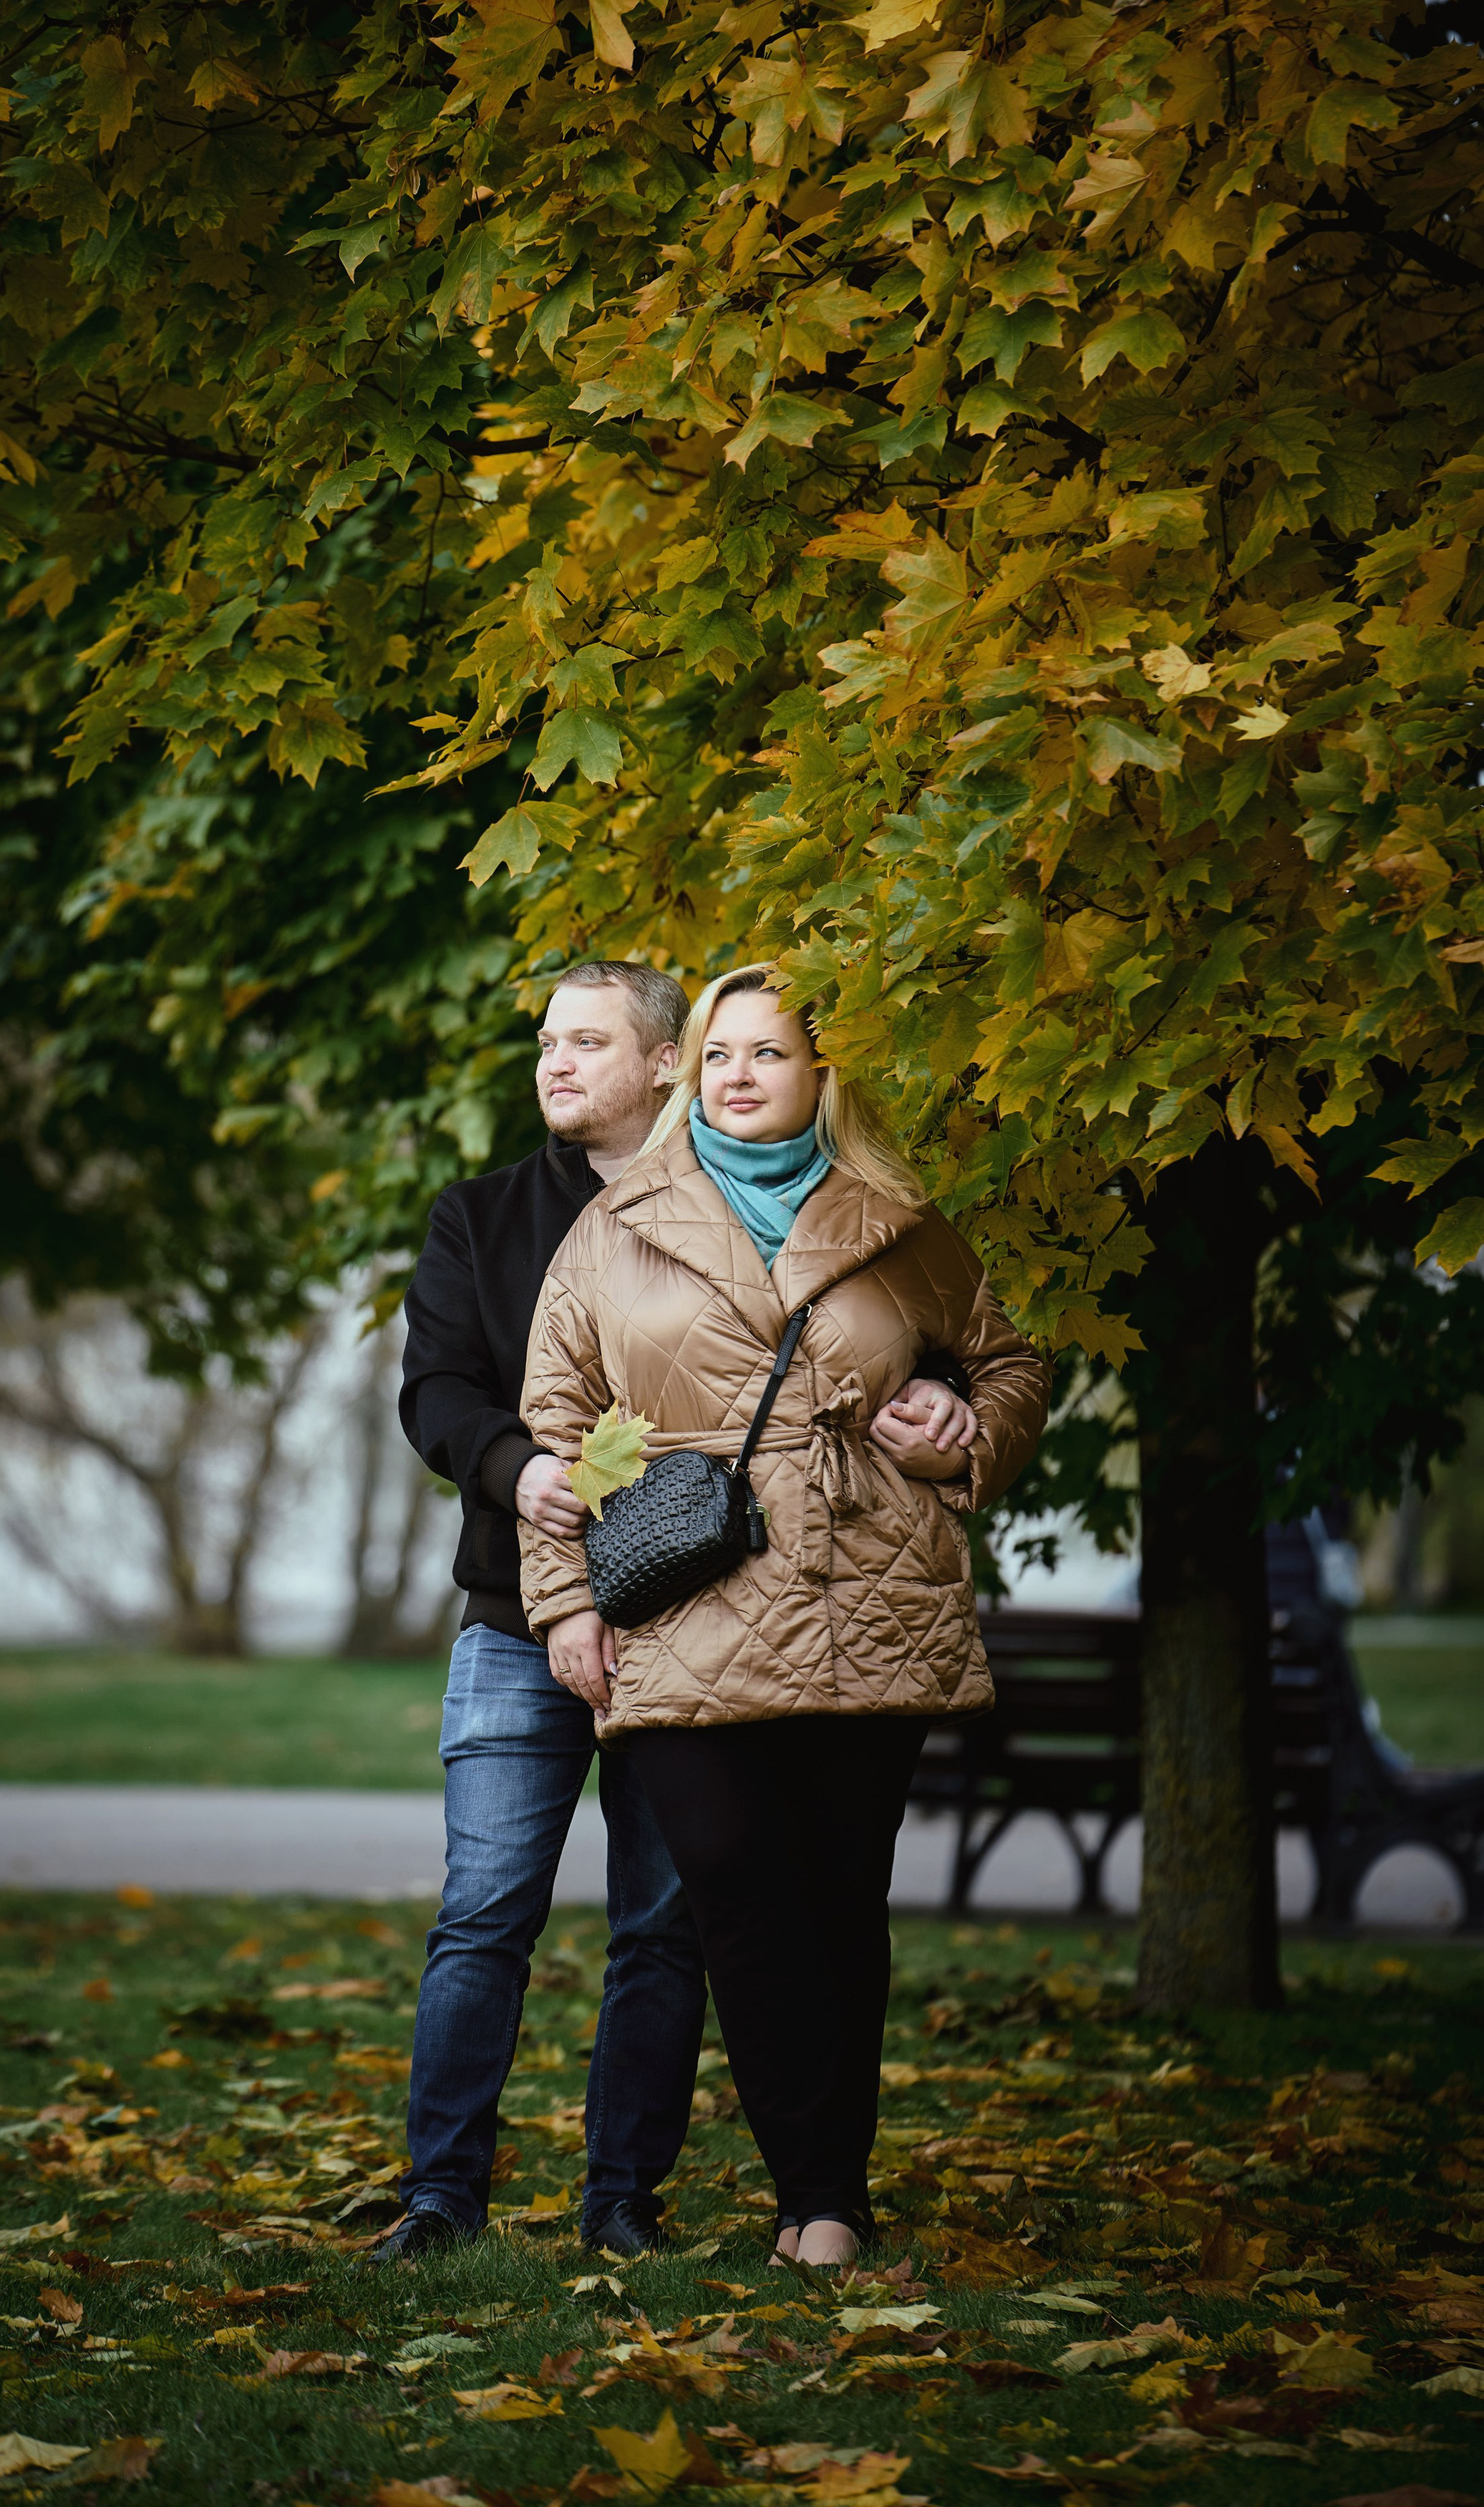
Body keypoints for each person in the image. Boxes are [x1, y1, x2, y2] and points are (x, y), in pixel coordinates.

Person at [520, 964, 1049, 2268]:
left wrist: (968, 1423)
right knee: (740, 1898)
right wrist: (565, 1604)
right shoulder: (617, 1224)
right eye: (718, 1054)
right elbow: (558, 1428)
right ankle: (818, 2184)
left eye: (769, 1052)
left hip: (869, 1593)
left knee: (835, 1905)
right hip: (685, 1601)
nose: (740, 1074)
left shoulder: (903, 1222)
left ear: (824, 1074)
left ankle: (825, 2202)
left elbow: (1014, 1359)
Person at [379, 961, 704, 2264]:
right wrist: (525, 1473)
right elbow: (435, 1390)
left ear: (665, 1061)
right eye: (546, 1041)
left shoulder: (725, 1214)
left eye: (588, 1040)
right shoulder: (483, 1215)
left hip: (693, 1623)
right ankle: (439, 2199)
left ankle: (623, 2201)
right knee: (484, 1914)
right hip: (515, 1622)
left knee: (662, 1929)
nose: (555, 1062)